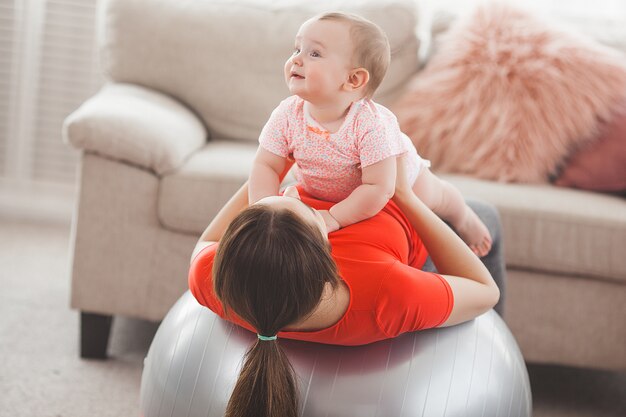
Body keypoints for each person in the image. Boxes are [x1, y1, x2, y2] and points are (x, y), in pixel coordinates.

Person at [189, 156, 503, 417]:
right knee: (485, 214)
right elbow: (484, 290)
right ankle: (496, 364)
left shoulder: (212, 277)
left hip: (342, 192)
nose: (293, 193)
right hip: (398, 218)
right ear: (329, 257)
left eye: (284, 195)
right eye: (310, 213)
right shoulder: (388, 293)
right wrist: (406, 197)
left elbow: (206, 242)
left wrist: (273, 163)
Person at [248, 12, 492, 256]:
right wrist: (263, 210)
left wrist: (334, 216)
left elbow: (378, 187)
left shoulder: (369, 124)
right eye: (297, 49)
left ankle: (464, 216)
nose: (296, 60)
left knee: (435, 196)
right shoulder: (287, 114)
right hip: (323, 189)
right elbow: (266, 165)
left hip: (400, 184)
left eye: (314, 53)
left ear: (353, 79)